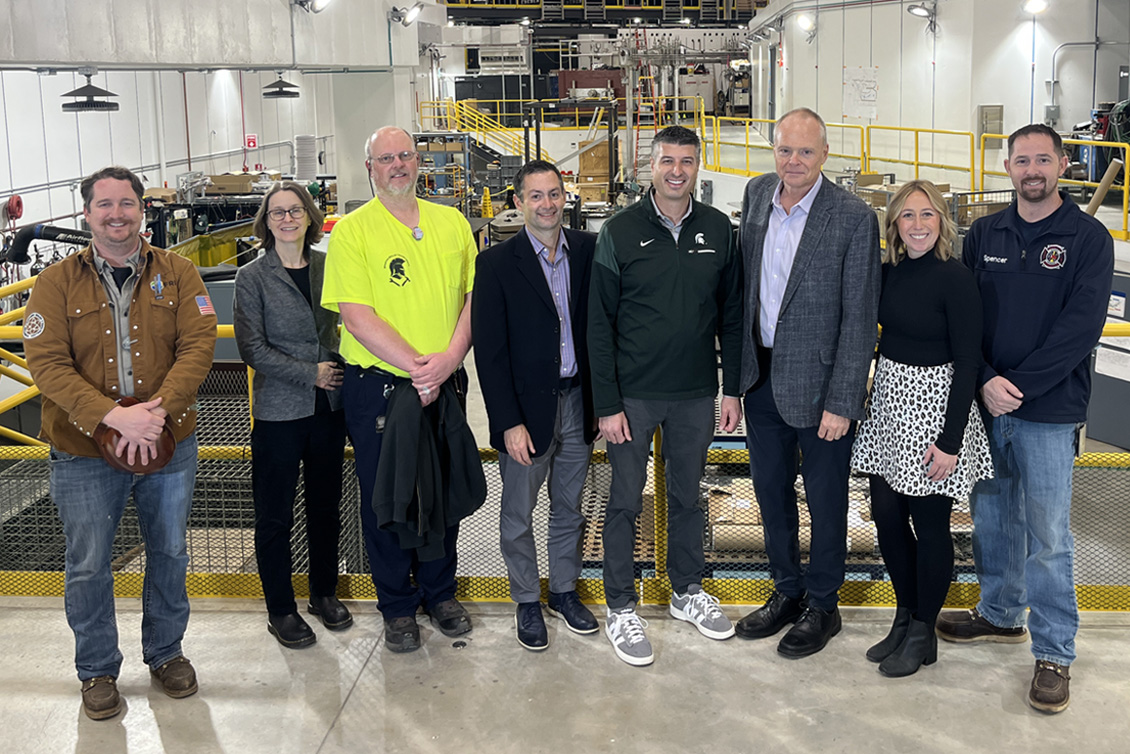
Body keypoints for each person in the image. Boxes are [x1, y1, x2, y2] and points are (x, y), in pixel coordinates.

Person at [23, 166, 216, 720]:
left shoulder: (179, 274)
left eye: (126, 203)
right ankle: (97, 669)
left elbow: (198, 344)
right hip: (83, 451)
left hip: (166, 442)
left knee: (171, 551)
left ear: (141, 210)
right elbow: (47, 363)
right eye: (104, 204)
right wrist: (113, 417)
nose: (116, 214)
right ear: (86, 213)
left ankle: (166, 652)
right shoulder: (55, 283)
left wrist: (156, 413)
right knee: (88, 563)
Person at [935, 124, 1114, 713]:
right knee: (993, 520)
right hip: (988, 404)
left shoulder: (1088, 238)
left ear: (1062, 164)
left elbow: (1080, 328)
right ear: (1007, 167)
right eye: (1021, 160)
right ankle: (1000, 612)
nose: (1031, 170)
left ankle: (1055, 652)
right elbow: (964, 318)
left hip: (1048, 411)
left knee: (1048, 535)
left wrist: (1019, 387)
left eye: (1042, 159)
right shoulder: (985, 233)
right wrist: (985, 380)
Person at [588, 125, 743, 667]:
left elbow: (731, 315)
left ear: (698, 166)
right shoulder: (620, 231)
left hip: (696, 393)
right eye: (667, 161)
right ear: (649, 167)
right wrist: (607, 404)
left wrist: (731, 388)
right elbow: (598, 325)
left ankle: (686, 591)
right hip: (634, 396)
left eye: (687, 161)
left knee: (687, 497)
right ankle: (620, 605)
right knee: (624, 500)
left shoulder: (719, 229)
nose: (677, 171)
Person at [322, 126, 478, 654]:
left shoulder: (451, 223)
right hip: (382, 389)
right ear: (370, 168)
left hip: (445, 383)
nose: (397, 165)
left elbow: (472, 299)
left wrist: (448, 362)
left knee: (443, 491)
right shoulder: (352, 232)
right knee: (386, 497)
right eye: (385, 158)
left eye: (404, 155)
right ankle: (396, 605)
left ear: (418, 162)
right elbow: (357, 317)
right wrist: (420, 369)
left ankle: (440, 593)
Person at [735, 107, 880, 658]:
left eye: (805, 151)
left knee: (825, 501)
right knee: (770, 495)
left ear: (825, 155)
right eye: (784, 150)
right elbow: (745, 294)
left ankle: (823, 604)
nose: (793, 161)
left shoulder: (852, 217)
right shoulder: (757, 195)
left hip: (822, 390)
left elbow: (859, 318)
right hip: (761, 379)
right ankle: (786, 591)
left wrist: (844, 400)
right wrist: (736, 382)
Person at [849, 180, 993, 677]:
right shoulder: (888, 272)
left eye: (926, 214)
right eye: (907, 216)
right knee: (886, 516)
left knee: (930, 525)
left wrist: (950, 441)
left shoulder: (955, 278)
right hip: (890, 406)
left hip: (934, 410)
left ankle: (923, 630)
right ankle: (904, 614)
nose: (917, 225)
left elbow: (969, 361)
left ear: (941, 221)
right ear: (894, 224)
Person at [472, 160, 599, 651]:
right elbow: (490, 353)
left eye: (554, 194)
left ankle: (563, 591)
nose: (547, 204)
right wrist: (508, 422)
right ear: (518, 202)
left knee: (569, 508)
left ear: (565, 197)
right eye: (536, 196)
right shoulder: (497, 264)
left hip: (578, 402)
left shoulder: (588, 251)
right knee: (518, 514)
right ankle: (527, 599)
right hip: (526, 412)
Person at [234, 181, 352, 649]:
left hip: (329, 410)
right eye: (277, 212)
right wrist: (311, 373)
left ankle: (323, 593)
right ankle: (281, 609)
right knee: (275, 516)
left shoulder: (329, 266)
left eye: (295, 210)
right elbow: (252, 348)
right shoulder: (252, 277)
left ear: (309, 216)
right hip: (279, 413)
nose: (287, 219)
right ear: (266, 222)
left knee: (325, 508)